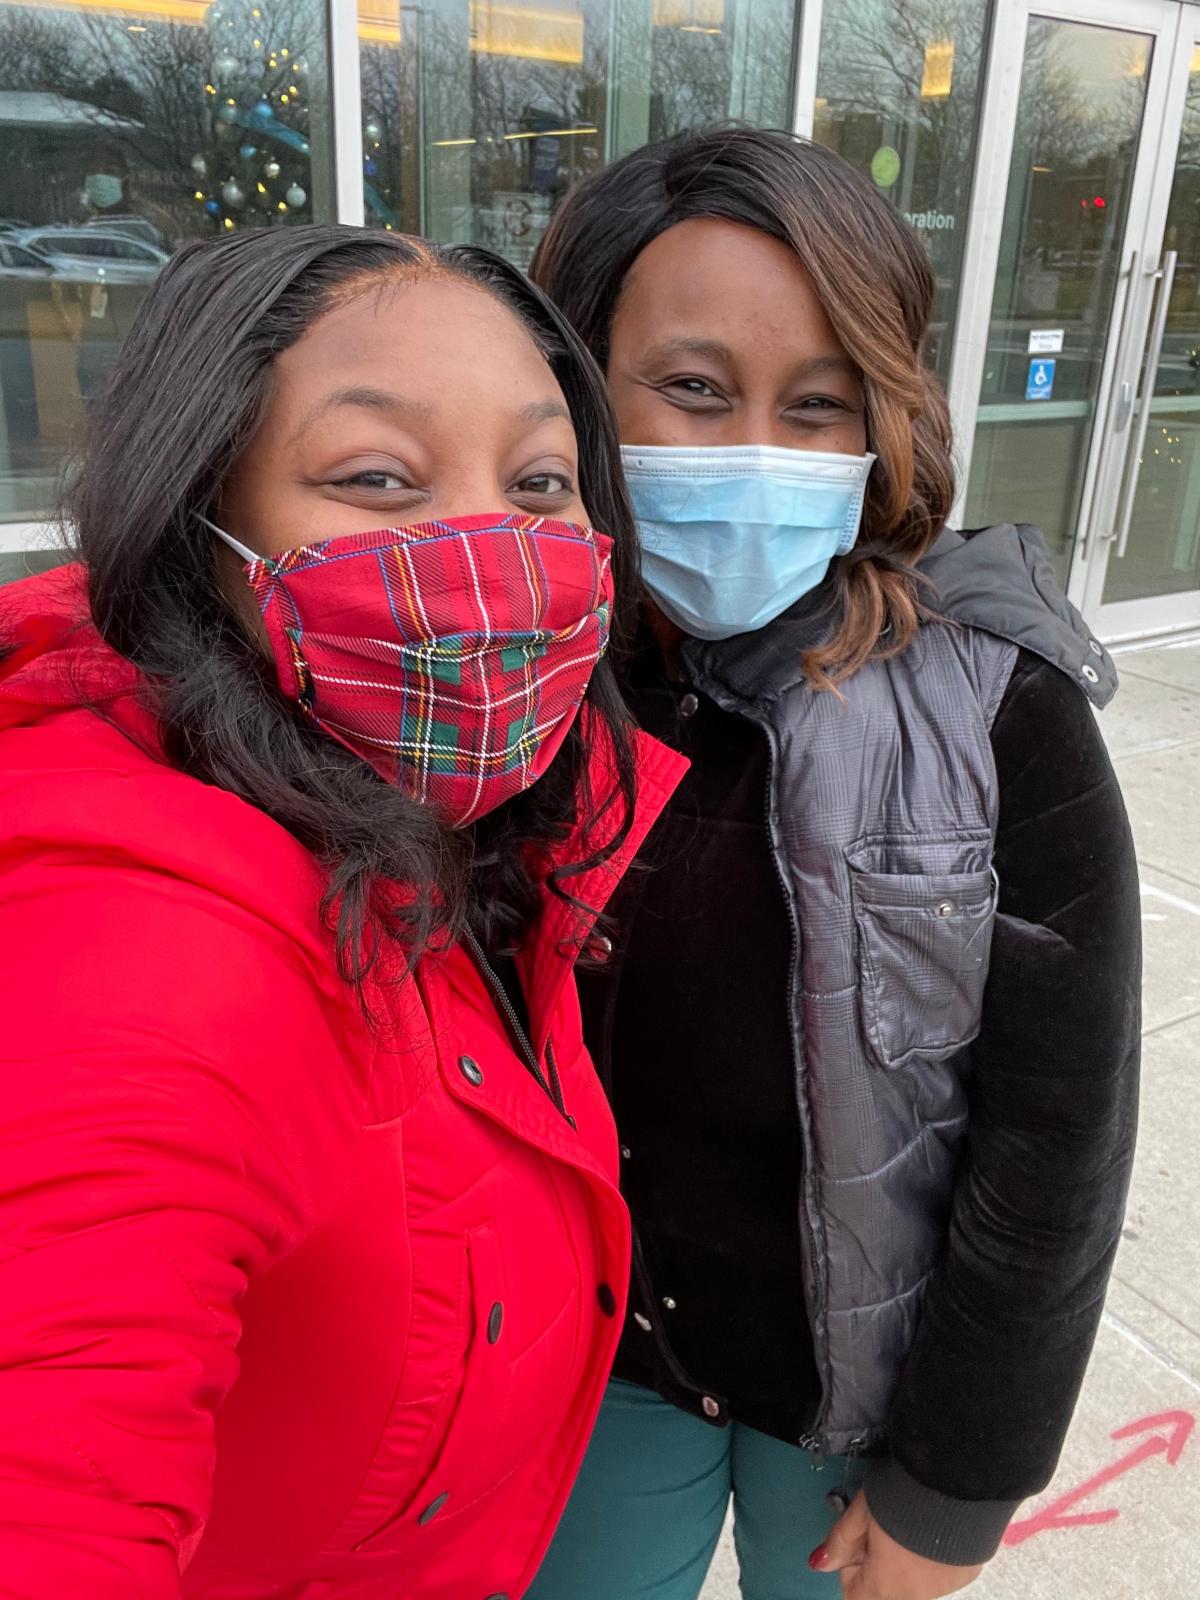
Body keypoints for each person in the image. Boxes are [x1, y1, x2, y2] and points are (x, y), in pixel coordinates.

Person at [0, 225, 685, 1597]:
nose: (491, 551)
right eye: (377, 478)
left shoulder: (487, 843)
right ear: (200, 521)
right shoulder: (138, 942)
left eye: (539, 482)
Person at [528, 128, 1141, 1600]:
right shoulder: (520, 687)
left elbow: (1056, 1144)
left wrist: (957, 1484)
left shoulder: (998, 709)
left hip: (862, 1411)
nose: (753, 449)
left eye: (816, 405)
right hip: (598, 1372)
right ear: (576, 384)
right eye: (691, 389)